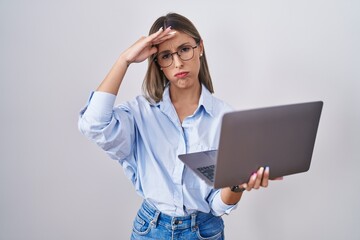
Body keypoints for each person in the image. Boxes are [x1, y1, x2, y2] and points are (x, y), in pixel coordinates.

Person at [78, 12, 281, 240]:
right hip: (150, 230)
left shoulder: (227, 119)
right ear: (158, 63)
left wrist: (237, 186)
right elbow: (93, 125)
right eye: (166, 56)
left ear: (200, 48)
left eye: (184, 49)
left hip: (204, 231)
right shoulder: (140, 113)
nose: (177, 63)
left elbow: (216, 206)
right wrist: (123, 60)